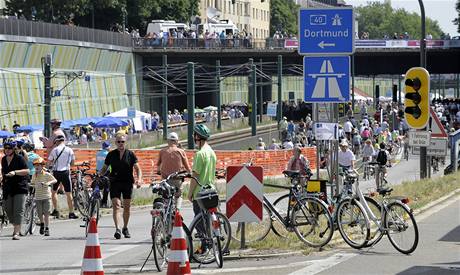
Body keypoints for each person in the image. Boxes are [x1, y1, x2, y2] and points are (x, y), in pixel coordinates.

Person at [98, 133, 142, 239]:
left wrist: (139, 179)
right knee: (116, 205)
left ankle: (125, 228)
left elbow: (138, 169)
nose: (121, 144)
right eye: (118, 142)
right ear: (115, 143)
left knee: (126, 207)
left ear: (125, 142)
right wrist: (99, 176)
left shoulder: (130, 154)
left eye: (122, 142)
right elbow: (104, 168)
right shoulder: (111, 154)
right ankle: (117, 228)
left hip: (127, 182)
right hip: (115, 182)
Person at [187, 124, 216, 254]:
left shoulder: (200, 154)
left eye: (194, 135)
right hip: (211, 190)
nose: (193, 137)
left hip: (200, 192)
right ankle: (212, 244)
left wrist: (189, 193)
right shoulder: (211, 152)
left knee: (199, 221)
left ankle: (205, 246)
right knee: (210, 219)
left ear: (198, 136)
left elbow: (195, 176)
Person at [1, 141, 30, 240]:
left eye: (9, 148)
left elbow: (27, 171)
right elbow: (3, 172)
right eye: (5, 148)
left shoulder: (19, 158)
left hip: (20, 187)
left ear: (13, 149)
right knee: (7, 208)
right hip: (8, 187)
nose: (7, 150)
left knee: (18, 210)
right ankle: (16, 225)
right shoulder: (4, 159)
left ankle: (16, 232)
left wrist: (15, 172)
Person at [157, 132, 191, 210]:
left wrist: (159, 171)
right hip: (177, 179)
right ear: (177, 141)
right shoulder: (181, 151)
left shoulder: (162, 151)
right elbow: (187, 166)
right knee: (178, 196)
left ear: (168, 141)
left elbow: (158, 165)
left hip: (166, 180)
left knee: (166, 197)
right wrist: (189, 173)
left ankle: (166, 212)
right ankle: (177, 211)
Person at [47, 135, 78, 219]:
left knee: (54, 192)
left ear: (57, 142)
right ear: (63, 141)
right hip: (65, 172)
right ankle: (71, 212)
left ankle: (56, 210)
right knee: (69, 193)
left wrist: (48, 168)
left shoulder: (54, 150)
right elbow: (72, 163)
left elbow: (49, 161)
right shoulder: (69, 150)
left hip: (56, 172)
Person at [30, 157, 56, 236]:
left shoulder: (47, 174)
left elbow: (55, 180)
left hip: (46, 196)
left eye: (39, 165)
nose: (37, 167)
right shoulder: (34, 175)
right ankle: (42, 224)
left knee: (46, 213)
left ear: (42, 166)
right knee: (39, 213)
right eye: (35, 165)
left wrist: (48, 183)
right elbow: (33, 183)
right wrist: (30, 185)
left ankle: (47, 228)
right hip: (38, 197)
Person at [96, 141, 111, 208]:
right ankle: (104, 202)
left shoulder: (98, 153)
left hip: (98, 171)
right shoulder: (108, 154)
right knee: (107, 187)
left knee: (98, 185)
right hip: (106, 171)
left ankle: (97, 200)